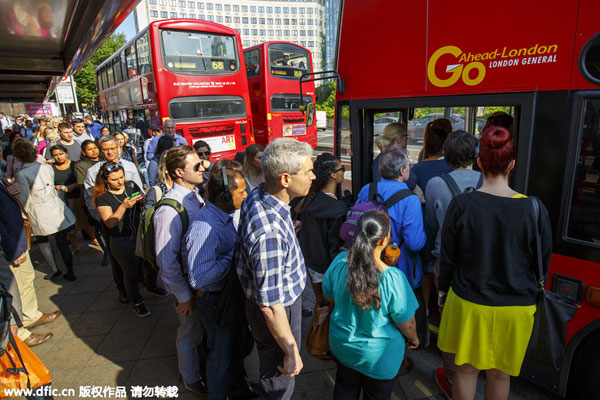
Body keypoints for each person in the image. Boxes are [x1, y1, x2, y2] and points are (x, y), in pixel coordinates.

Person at [437, 126, 552, 400]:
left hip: (469, 301)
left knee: (466, 370)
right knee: (501, 374)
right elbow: (542, 261)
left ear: (479, 163)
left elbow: (448, 257)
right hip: (516, 308)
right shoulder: (534, 207)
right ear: (512, 164)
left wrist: (443, 290)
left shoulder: (462, 204)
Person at [236, 138, 315, 399]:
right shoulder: (269, 233)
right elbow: (270, 306)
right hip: (280, 310)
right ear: (284, 179)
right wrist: (291, 351)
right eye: (307, 171)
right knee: (281, 376)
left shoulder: (259, 193)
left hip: (266, 303)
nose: (313, 176)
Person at [323, 210, 420, 399]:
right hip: (379, 358)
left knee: (344, 388)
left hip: (343, 347)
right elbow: (407, 323)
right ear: (384, 241)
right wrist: (414, 339)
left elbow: (329, 296)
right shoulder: (393, 278)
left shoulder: (339, 263)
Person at [184, 159, 255, 400]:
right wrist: (234, 256)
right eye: (242, 191)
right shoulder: (206, 227)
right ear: (225, 195)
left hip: (226, 297)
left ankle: (240, 390)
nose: (246, 196)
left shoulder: (225, 215)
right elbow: (199, 278)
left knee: (235, 351)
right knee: (221, 358)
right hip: (214, 301)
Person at [355, 148, 428, 363]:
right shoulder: (410, 198)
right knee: (397, 309)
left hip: (367, 260)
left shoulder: (367, 189)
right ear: (403, 171)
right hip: (398, 266)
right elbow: (415, 243)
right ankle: (396, 357)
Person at [424, 131, 481, 397]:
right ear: (476, 155)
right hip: (480, 260)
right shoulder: (486, 180)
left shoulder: (436, 183)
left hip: (445, 260)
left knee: (448, 317)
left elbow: (432, 225)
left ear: (447, 157)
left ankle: (449, 375)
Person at [153, 145, 209, 396]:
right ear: (178, 172)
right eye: (196, 166)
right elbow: (166, 260)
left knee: (198, 331)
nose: (203, 168)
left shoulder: (194, 194)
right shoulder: (168, 210)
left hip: (198, 283)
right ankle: (190, 376)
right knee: (189, 332)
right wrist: (183, 295)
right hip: (187, 287)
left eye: (202, 162)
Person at [0, 180, 57, 347]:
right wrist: (12, 249)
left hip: (17, 239)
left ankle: (31, 315)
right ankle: (21, 333)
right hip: (10, 244)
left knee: (27, 279)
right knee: (13, 288)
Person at [12, 138, 77, 281]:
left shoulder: (21, 174)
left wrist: (23, 213)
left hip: (38, 209)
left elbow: (24, 197)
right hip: (54, 205)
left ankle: (55, 269)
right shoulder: (46, 167)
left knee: (43, 240)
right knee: (62, 241)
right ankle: (70, 271)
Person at [94, 162, 150, 318]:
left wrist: (142, 201)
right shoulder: (103, 198)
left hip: (139, 233)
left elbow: (146, 203)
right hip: (121, 239)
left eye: (121, 177)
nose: (120, 182)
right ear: (105, 180)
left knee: (149, 265)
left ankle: (151, 286)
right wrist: (123, 207)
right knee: (130, 271)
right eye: (114, 179)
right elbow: (110, 222)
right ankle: (136, 301)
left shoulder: (131, 186)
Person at [410, 118, 453, 318]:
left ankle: (426, 311)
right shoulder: (454, 166)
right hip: (450, 229)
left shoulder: (417, 169)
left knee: (427, 271)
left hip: (427, 228)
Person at [296, 153, 347, 308]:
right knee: (332, 308)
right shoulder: (337, 208)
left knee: (320, 305)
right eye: (341, 168)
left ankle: (314, 331)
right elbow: (334, 247)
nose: (343, 171)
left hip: (311, 265)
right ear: (333, 175)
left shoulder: (309, 200)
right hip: (327, 269)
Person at [51, 144, 81, 253]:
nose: (59, 157)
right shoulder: (50, 168)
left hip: (76, 196)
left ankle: (93, 237)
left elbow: (81, 180)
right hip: (61, 198)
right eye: (55, 155)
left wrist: (73, 186)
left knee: (83, 221)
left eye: (61, 154)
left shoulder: (75, 165)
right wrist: (55, 187)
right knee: (70, 224)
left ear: (66, 153)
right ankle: (75, 245)